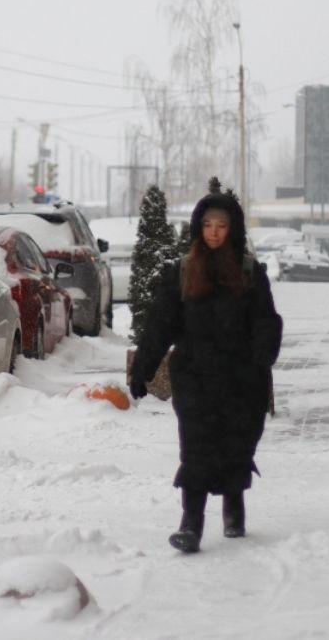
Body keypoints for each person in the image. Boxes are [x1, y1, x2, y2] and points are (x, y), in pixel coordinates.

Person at [129, 191, 283, 554]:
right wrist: (143, 369)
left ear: (233, 229)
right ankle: (191, 524)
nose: (214, 233)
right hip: (195, 375)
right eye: (208, 225)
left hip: (241, 377)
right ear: (199, 228)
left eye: (222, 226)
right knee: (195, 448)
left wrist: (262, 355)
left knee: (236, 443)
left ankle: (234, 506)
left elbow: (266, 320)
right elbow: (160, 323)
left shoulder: (249, 272)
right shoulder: (181, 271)